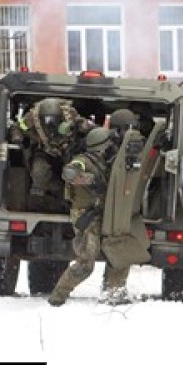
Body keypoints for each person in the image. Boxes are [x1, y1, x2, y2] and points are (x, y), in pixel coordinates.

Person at [48, 127, 130, 306]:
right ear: (103, 146)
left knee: (120, 254)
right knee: (86, 263)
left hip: (107, 214)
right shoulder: (83, 161)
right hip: (88, 216)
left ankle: (113, 293)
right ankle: (57, 297)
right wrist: (91, 180)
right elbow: (69, 173)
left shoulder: (108, 161)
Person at [10, 97, 93, 198]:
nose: (50, 123)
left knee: (76, 171)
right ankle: (59, 191)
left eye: (54, 120)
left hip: (68, 149)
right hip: (45, 150)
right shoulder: (32, 117)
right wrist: (18, 137)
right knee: (39, 173)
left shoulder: (70, 114)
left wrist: (81, 127)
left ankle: (75, 193)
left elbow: (86, 125)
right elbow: (17, 127)